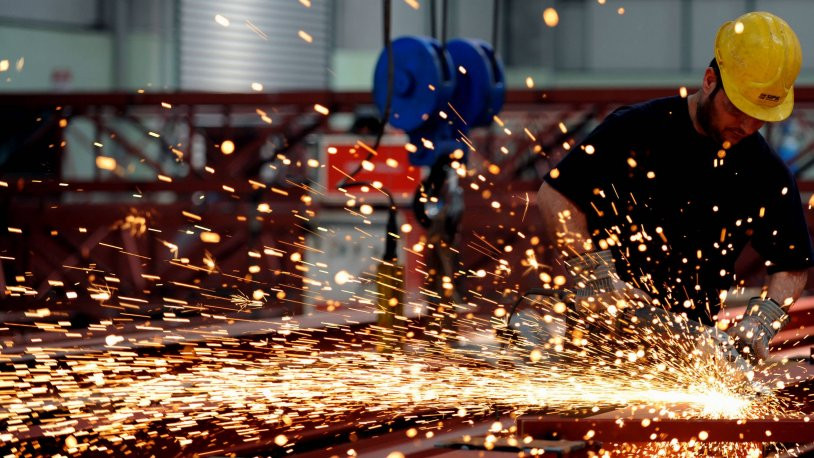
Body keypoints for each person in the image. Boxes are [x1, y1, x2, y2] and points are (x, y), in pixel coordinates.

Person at [536, 11, 813, 365]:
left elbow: (792, 263)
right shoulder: (635, 130)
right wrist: (595, 276)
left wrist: (762, 321)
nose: (746, 125)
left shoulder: (765, 172)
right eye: (737, 108)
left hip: (690, 359)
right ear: (711, 80)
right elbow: (556, 196)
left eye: (759, 116)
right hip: (598, 346)